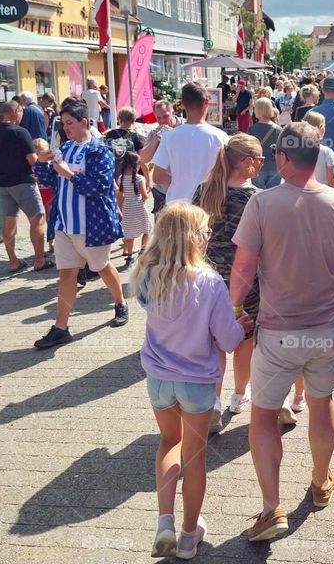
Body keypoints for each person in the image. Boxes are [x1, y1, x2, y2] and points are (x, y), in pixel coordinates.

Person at [229, 122, 334, 541]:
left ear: (283, 159)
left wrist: (233, 308)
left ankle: (272, 509)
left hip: (277, 332)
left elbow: (245, 267)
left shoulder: (262, 205)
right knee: (322, 404)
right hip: (326, 327)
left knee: (264, 416)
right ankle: (321, 482)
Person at [129, 203, 250, 559]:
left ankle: (164, 521)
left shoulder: (147, 274)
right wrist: (239, 326)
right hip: (197, 381)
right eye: (205, 230)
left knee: (168, 443)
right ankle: (187, 536)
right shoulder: (209, 282)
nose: (209, 235)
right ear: (192, 237)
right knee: (194, 459)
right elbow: (227, 341)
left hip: (158, 377)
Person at [33, 101, 129, 348]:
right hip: (65, 224)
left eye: (70, 124)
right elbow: (47, 180)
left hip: (91, 226)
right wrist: (41, 162)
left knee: (102, 267)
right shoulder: (65, 148)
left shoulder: (99, 150)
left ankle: (120, 302)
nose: (65, 129)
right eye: (63, 124)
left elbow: (100, 187)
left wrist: (70, 175)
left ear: (84, 122)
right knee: (67, 275)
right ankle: (60, 328)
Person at [192, 134, 264, 433]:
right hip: (247, 282)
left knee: (214, 342)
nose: (262, 164)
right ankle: (239, 395)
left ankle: (215, 402)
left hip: (209, 280)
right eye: (259, 159)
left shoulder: (204, 191)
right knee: (245, 338)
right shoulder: (257, 198)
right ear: (247, 163)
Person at [0, 101, 50, 273]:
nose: (22, 115)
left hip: (4, 183)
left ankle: (13, 261)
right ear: (15, 112)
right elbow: (32, 160)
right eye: (21, 112)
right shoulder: (21, 132)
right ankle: (39, 260)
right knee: (37, 218)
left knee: (9, 221)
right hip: (24, 181)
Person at [153, 84, 229, 204]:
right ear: (206, 102)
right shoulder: (220, 137)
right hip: (208, 203)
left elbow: (158, 176)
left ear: (182, 104)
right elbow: (226, 174)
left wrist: (180, 182)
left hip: (177, 204)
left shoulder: (169, 137)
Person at [140, 100, 180, 216]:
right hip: (162, 191)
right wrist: (155, 141)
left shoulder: (184, 127)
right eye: (158, 118)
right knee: (162, 231)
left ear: (173, 113)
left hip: (182, 189)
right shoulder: (154, 132)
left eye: (166, 116)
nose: (162, 121)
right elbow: (143, 158)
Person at [117, 150, 152, 262]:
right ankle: (143, 250)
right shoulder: (139, 178)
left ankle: (129, 255)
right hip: (139, 207)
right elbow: (145, 196)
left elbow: (121, 195)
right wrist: (148, 189)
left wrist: (121, 209)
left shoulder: (121, 178)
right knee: (146, 229)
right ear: (134, 165)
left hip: (127, 208)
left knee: (129, 234)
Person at [246, 98, 283, 190]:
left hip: (258, 165)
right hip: (275, 166)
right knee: (272, 196)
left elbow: (247, 149)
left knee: (258, 195)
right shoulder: (279, 130)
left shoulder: (252, 129)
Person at [302, 111, 334, 189]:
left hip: (300, 194)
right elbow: (332, 182)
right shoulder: (327, 152)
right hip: (321, 194)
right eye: (324, 126)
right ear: (320, 128)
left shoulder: (295, 150)